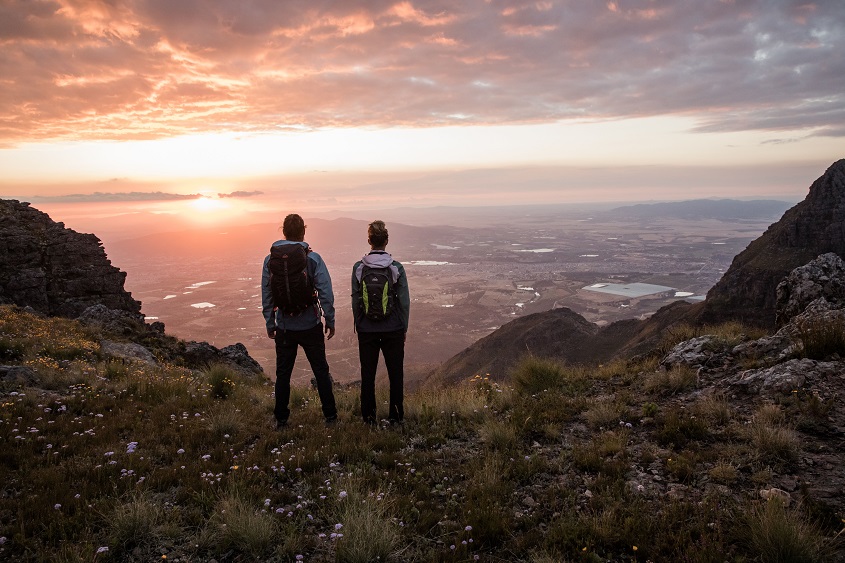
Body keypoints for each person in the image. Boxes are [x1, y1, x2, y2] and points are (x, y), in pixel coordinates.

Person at [262, 213, 337, 428]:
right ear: (303, 231)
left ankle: (281, 419)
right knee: (321, 370)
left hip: (284, 325)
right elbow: (325, 293)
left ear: (283, 231)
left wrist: (270, 322)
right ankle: (330, 417)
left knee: (283, 373)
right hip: (311, 324)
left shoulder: (270, 260)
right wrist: (329, 320)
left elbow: (267, 295)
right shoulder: (312, 258)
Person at [351, 220, 410, 425]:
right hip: (393, 328)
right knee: (395, 374)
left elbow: (356, 300)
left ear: (369, 241)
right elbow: (404, 301)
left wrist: (359, 324)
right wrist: (404, 327)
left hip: (367, 329)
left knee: (368, 375)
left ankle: (368, 418)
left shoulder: (359, 267)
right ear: (386, 240)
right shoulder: (396, 268)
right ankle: (395, 417)